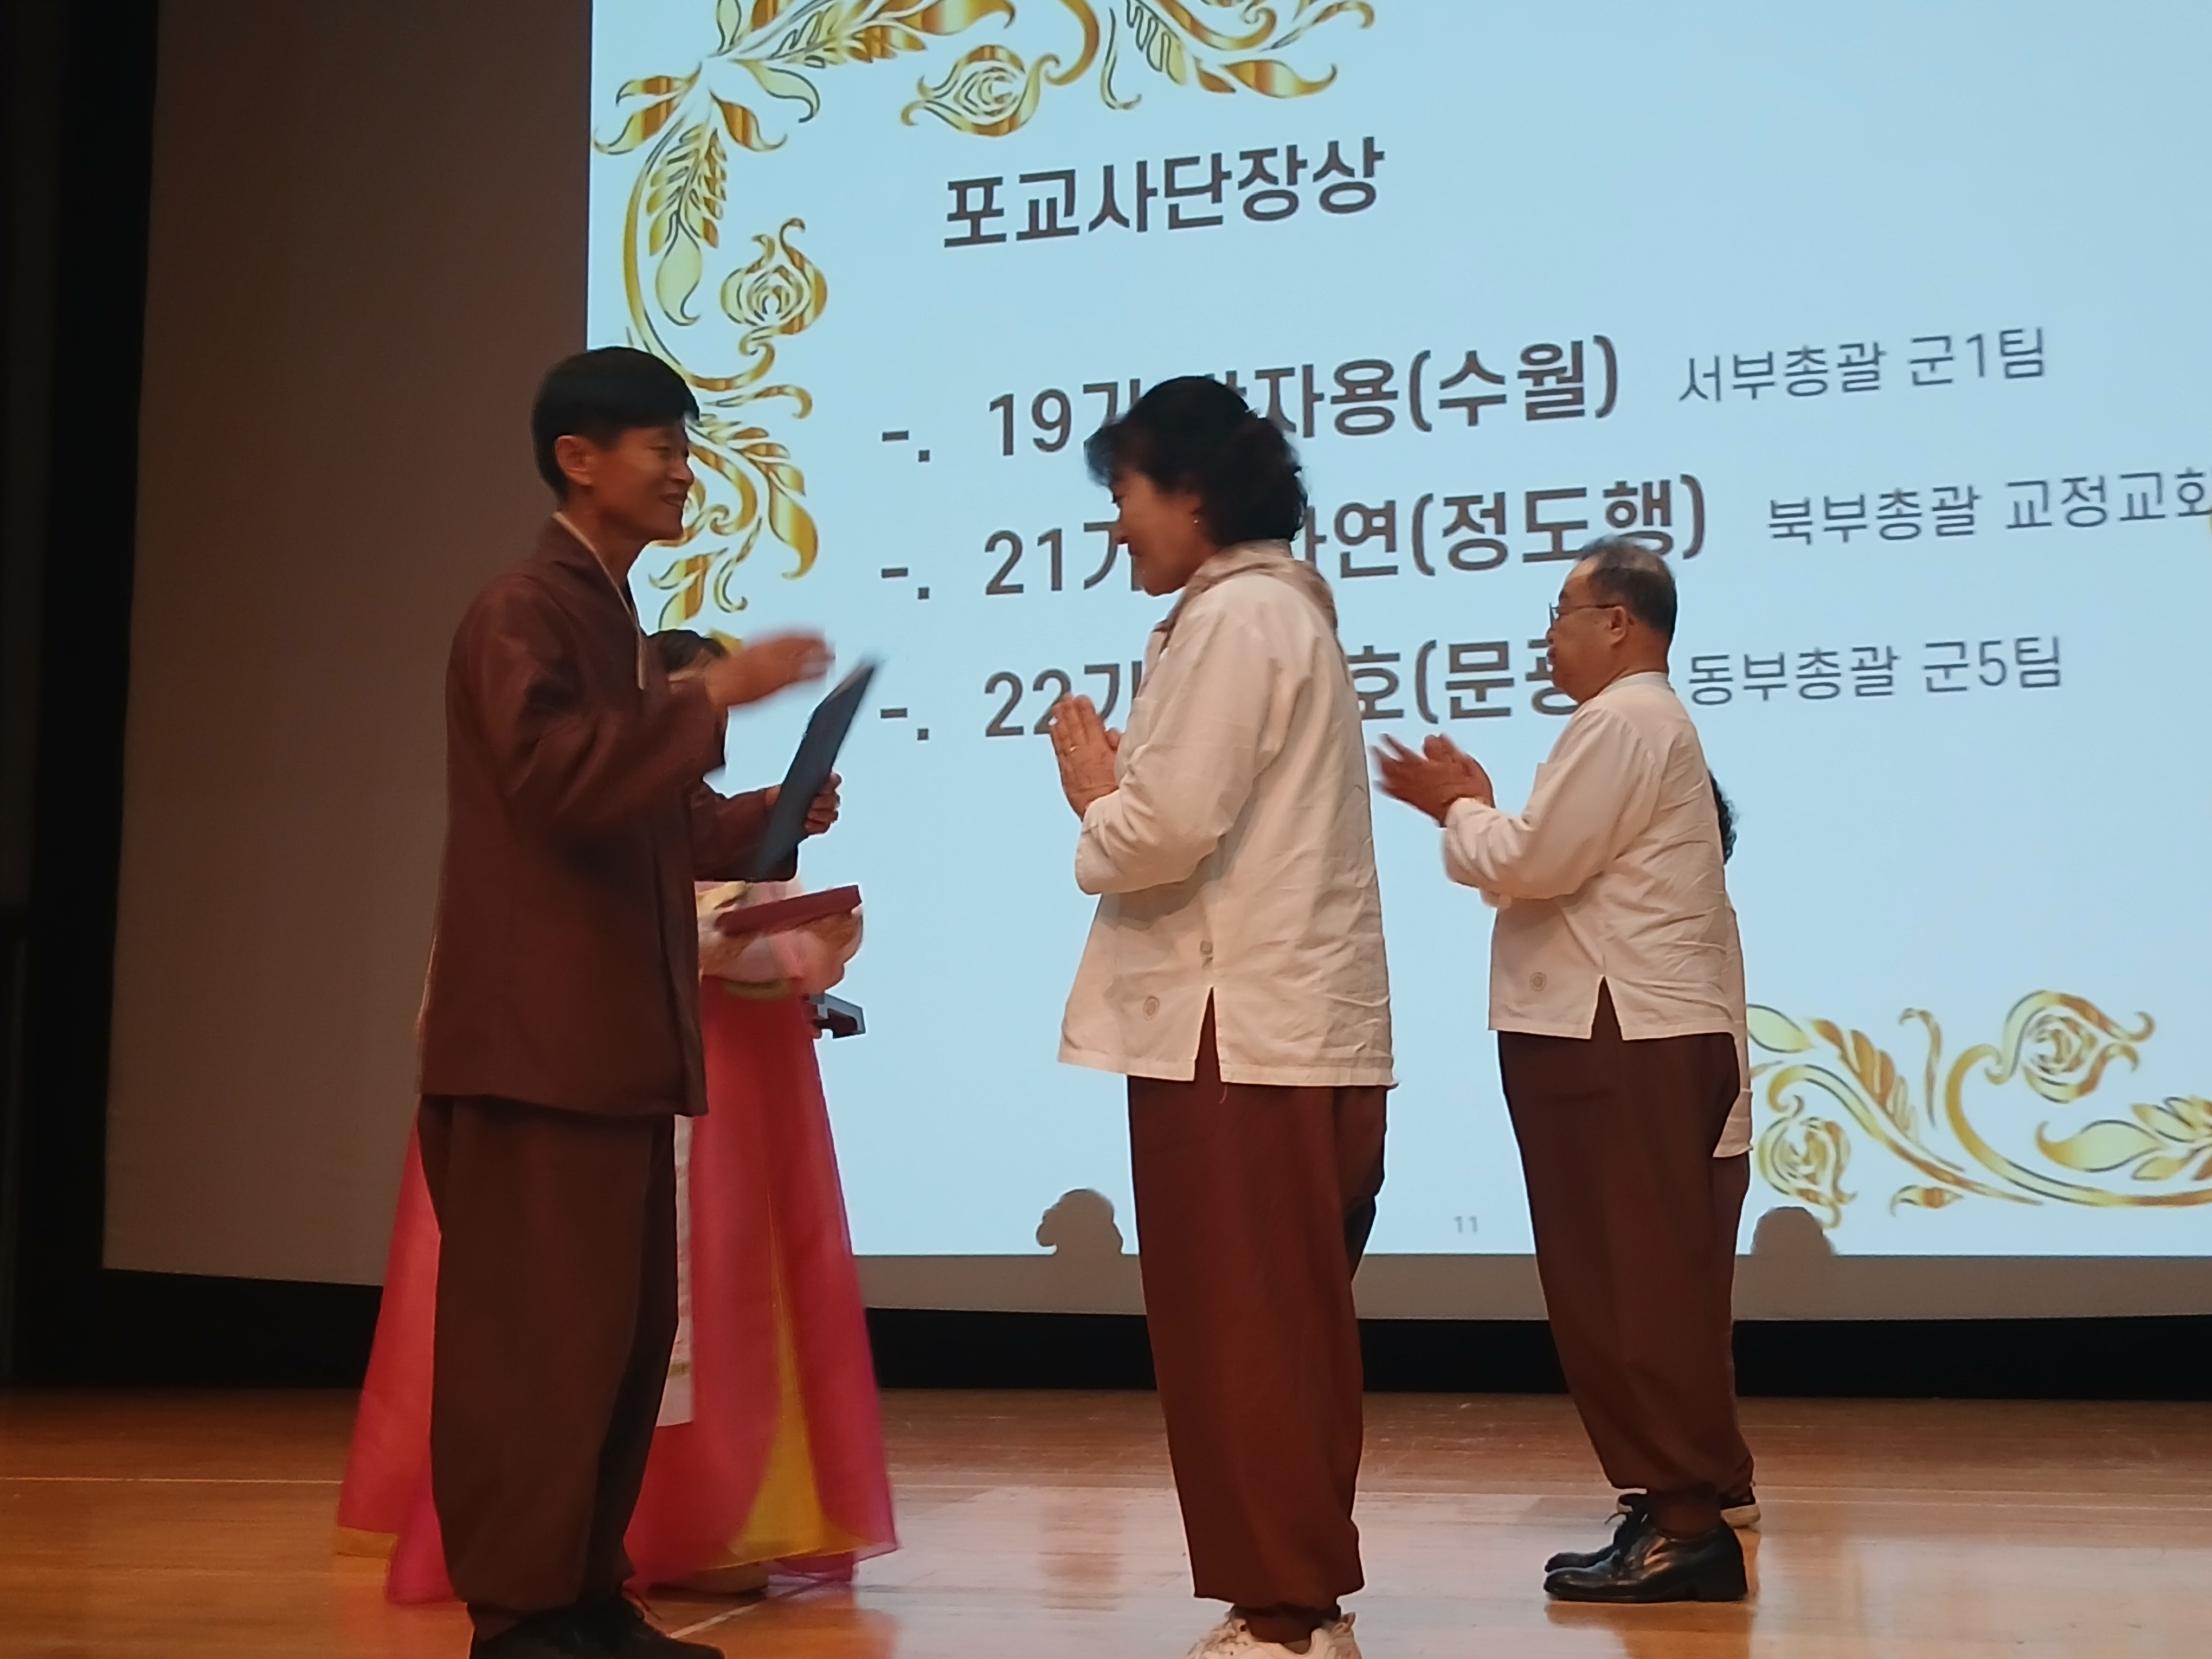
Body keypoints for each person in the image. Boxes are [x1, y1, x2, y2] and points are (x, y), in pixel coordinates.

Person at [411, 345, 837, 1659]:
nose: (684, 471)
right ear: (578, 459)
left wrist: (764, 818)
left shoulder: (606, 617)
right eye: (661, 447)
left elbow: (644, 813)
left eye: (687, 447)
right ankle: (523, 1617)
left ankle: (584, 1600)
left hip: (609, 1052)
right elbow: (555, 784)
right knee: (542, 1348)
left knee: (616, 1342)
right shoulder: (521, 612)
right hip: (536, 1054)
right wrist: (712, 693)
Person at [336, 629, 896, 1619]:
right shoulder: (564, 808)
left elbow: (722, 888)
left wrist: (790, 873)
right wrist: (765, 944)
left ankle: (670, 1531)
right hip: (580, 1096)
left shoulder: (671, 811)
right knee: (585, 1326)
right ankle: (564, 1552)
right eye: (693, 708)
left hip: (675, 1103)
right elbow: (652, 927)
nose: (707, 731)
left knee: (675, 1325)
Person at [1046, 376, 1392, 1659]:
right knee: (1279, 1323)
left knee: (1243, 1326)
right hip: (1276, 1019)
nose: (1117, 524)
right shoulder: (1276, 610)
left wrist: (1095, 790)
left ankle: (1284, 1612)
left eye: (1126, 494)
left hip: (1231, 1026)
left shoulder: (1238, 616)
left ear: (1192, 493)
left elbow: (1165, 830)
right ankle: (1294, 1600)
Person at [1373, 536, 1754, 1604]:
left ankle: (1685, 1525)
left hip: (1616, 1031)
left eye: (1560, 612)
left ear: (1618, 624)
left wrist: (1458, 808)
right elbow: (1547, 860)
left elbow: (1534, 861)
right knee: (1627, 1279)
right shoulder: (1639, 724)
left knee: (1629, 1284)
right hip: (1620, 1027)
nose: (1548, 636)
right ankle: (1669, 1509)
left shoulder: (1624, 720)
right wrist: (1482, 813)